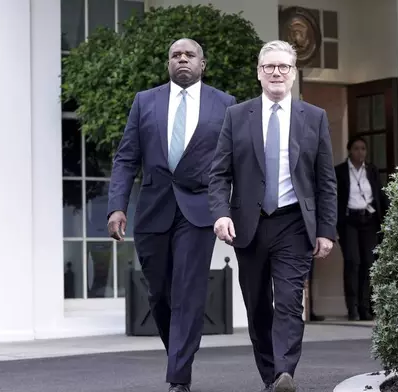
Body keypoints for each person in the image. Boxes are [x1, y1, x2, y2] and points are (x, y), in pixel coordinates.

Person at [107, 38, 236, 392]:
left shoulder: (224, 104)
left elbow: (231, 163)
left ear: (202, 64)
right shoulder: (144, 102)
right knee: (159, 295)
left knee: (188, 293)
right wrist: (117, 205)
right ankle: (178, 355)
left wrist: (228, 210)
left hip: (198, 212)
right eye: (175, 55)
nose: (182, 59)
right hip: (153, 210)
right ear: (168, 63)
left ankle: (179, 377)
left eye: (189, 55)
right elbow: (126, 158)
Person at [208, 40, 337, 392]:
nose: (276, 72)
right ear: (259, 73)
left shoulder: (314, 117)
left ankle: (285, 372)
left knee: (290, 299)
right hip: (248, 225)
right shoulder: (237, 116)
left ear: (293, 74)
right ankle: (271, 376)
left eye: (283, 67)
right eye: (269, 67)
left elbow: (325, 179)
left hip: (294, 223)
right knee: (257, 304)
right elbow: (219, 173)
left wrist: (326, 230)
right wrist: (220, 213)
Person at [335, 136, 389, 321]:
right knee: (353, 262)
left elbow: (380, 195)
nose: (360, 152)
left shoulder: (372, 170)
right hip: (349, 220)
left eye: (363, 148)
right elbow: (333, 199)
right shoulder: (340, 171)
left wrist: (388, 218)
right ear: (350, 150)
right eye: (357, 148)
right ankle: (353, 308)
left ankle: (366, 307)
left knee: (369, 263)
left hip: (369, 220)